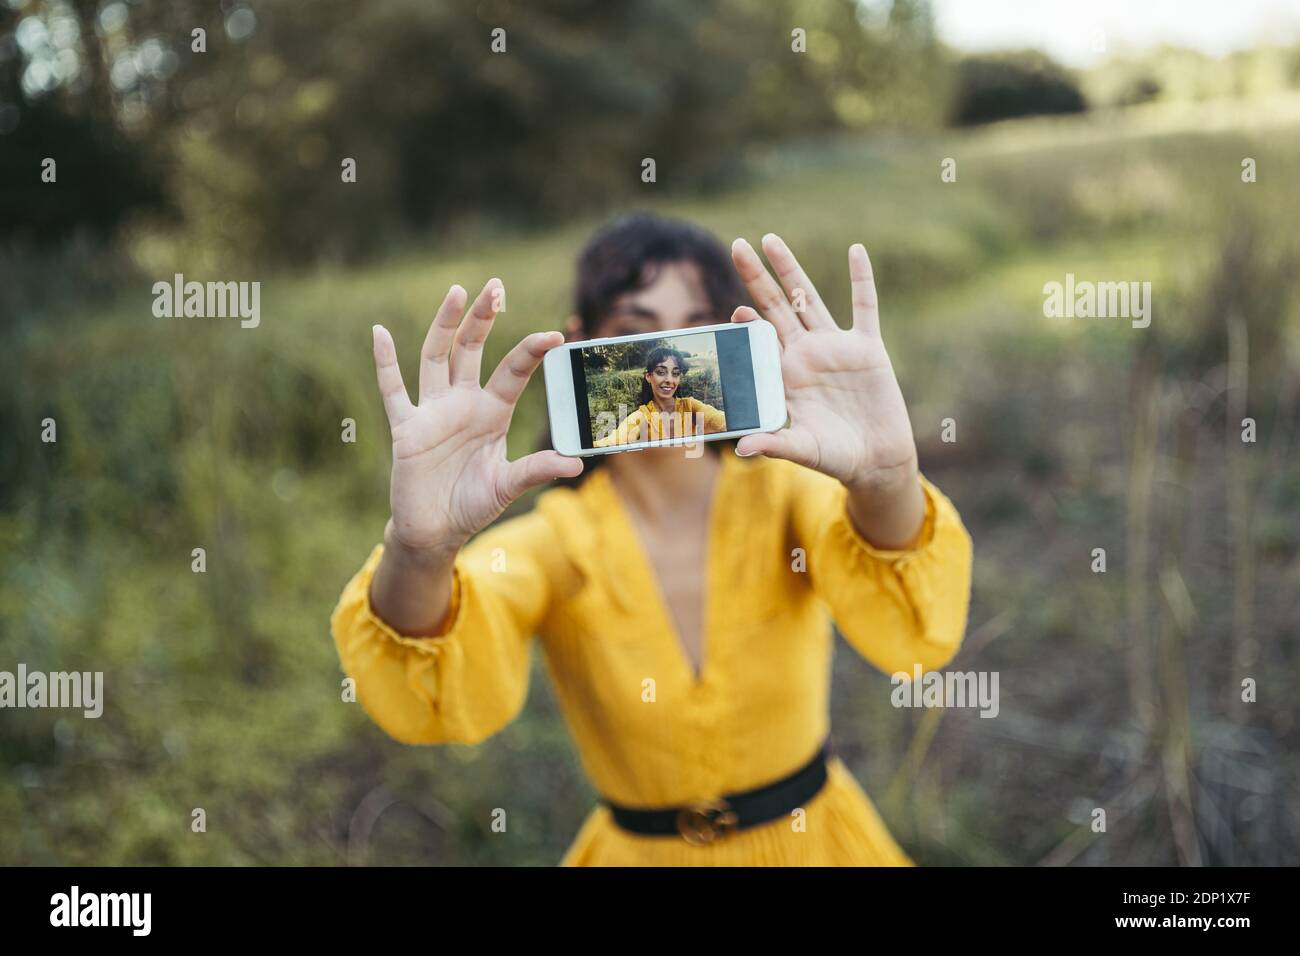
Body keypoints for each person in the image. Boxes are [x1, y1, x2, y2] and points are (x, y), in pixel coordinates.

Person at [331, 212, 973, 865]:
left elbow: (910, 626)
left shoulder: (786, 495)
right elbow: (438, 663)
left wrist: (889, 478)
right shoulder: (555, 540)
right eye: (635, 335)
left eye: (696, 336)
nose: (668, 369)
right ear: (580, 349)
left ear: (731, 342)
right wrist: (419, 549)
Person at [592, 346, 726, 447]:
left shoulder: (691, 406)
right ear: (649, 376)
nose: (669, 379)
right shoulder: (642, 416)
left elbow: (722, 421)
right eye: (661, 372)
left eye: (675, 373)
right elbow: (613, 441)